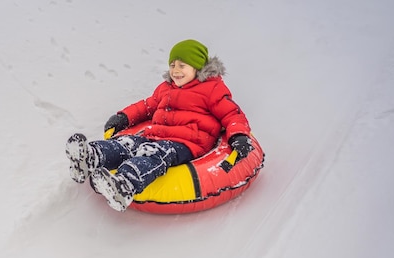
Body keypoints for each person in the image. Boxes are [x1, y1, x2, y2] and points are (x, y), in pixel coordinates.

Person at [66, 39, 254, 212]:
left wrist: (239, 136)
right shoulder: (166, 87)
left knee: (152, 153)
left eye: (182, 65)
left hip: (187, 143)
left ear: (198, 67)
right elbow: (147, 106)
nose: (175, 70)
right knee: (128, 143)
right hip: (156, 134)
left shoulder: (212, 89)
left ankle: (124, 185)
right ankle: (91, 156)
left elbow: (232, 114)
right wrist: (124, 117)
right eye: (172, 65)